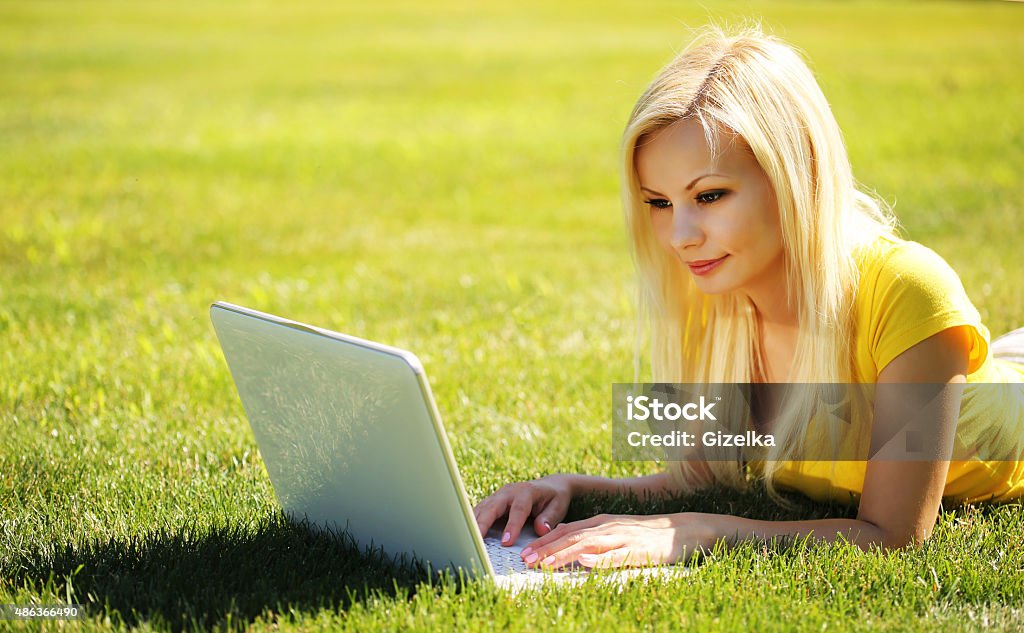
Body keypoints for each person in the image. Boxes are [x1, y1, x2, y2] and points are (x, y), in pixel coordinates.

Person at [472, 25, 1024, 571]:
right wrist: (567, 487)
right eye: (659, 203)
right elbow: (698, 478)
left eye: (709, 195)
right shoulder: (711, 293)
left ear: (798, 172)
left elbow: (894, 535)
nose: (680, 236)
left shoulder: (908, 291)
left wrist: (704, 530)